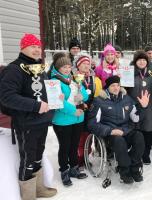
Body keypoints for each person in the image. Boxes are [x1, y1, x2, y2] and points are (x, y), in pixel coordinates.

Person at [0, 33, 57, 200]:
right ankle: (28, 195)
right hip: (26, 123)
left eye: (38, 46)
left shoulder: (39, 67)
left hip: (42, 121)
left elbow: (44, 91)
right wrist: (36, 106)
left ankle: (38, 189)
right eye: (32, 46)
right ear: (22, 47)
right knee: (28, 159)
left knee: (39, 154)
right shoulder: (14, 69)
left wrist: (55, 99)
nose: (36, 49)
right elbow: (7, 96)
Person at [87, 75, 148, 184]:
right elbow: (92, 123)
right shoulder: (99, 101)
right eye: (113, 86)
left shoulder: (126, 99)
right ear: (107, 87)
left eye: (118, 85)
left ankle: (134, 167)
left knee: (139, 136)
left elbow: (136, 118)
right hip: (109, 135)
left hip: (125, 131)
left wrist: (143, 107)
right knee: (119, 140)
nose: (116, 88)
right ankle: (124, 170)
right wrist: (110, 131)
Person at [49, 52, 89, 186]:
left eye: (68, 66)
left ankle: (73, 168)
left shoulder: (73, 79)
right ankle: (64, 170)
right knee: (65, 147)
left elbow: (85, 94)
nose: (67, 69)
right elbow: (57, 102)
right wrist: (74, 111)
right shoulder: (54, 81)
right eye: (64, 67)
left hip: (78, 119)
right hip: (63, 120)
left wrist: (81, 94)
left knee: (74, 146)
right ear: (57, 67)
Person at [127, 51, 152, 165]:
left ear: (147, 61)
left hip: (149, 107)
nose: (142, 62)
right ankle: (136, 153)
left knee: (148, 131)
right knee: (136, 131)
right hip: (134, 106)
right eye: (139, 60)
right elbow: (125, 90)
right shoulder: (130, 74)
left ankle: (146, 154)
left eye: (144, 60)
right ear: (135, 62)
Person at [73, 55, 102, 169]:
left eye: (88, 63)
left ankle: (86, 157)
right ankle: (78, 159)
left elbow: (99, 96)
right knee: (79, 136)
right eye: (83, 63)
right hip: (79, 110)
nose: (86, 66)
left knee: (88, 136)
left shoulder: (95, 79)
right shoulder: (73, 78)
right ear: (78, 65)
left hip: (91, 111)